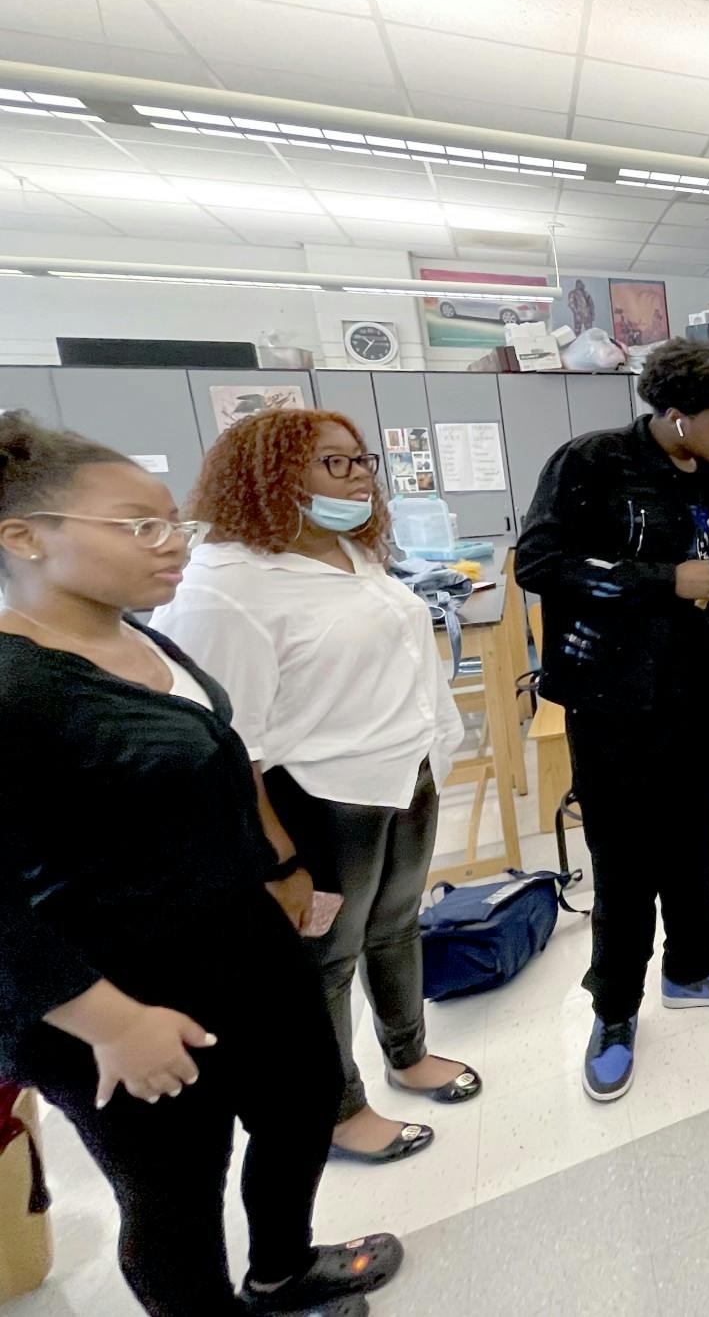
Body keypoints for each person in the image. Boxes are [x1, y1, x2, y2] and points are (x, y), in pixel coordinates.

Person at [0, 414, 401, 1317]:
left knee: (301, 1105)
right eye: (139, 526)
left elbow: (221, 759)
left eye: (174, 520)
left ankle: (281, 1270)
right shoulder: (16, 685)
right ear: (24, 538)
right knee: (174, 1189)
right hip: (112, 991)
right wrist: (108, 1023)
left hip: (234, 940)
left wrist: (280, 866)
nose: (172, 544)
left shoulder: (139, 636)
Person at [150, 409, 476, 1166]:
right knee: (323, 962)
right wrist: (277, 857)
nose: (361, 474)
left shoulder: (349, 551)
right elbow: (228, 742)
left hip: (404, 773)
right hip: (321, 799)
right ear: (268, 476)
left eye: (362, 460)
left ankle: (408, 1053)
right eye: (336, 464)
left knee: (396, 927)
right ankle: (337, 1108)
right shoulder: (226, 583)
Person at [517, 338, 709, 1104]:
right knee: (626, 858)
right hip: (611, 698)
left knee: (693, 835)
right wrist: (661, 580)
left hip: (690, 690)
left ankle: (694, 966)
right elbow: (537, 563)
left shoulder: (704, 470)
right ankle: (615, 1010)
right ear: (675, 416)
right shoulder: (590, 462)